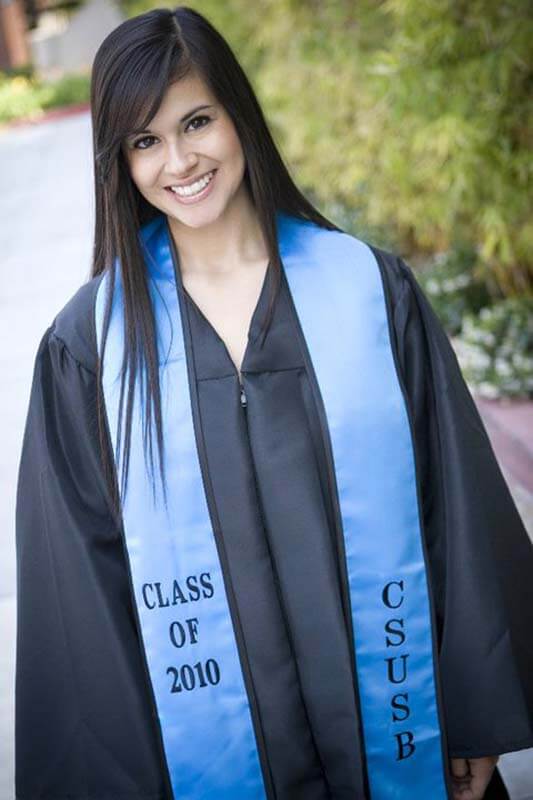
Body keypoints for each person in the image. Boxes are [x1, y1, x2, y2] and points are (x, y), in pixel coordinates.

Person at [14, 6, 533, 800]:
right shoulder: (91, 347)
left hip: (403, 746)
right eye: (145, 140)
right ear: (117, 160)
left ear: (237, 117)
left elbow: (453, 505)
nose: (179, 161)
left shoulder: (366, 289)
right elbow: (83, 596)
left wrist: (472, 714)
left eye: (196, 122)